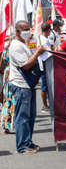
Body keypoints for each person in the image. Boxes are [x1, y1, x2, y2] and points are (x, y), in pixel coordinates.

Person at [9, 21, 46, 154]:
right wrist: (37, 53)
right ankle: (22, 146)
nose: (27, 31)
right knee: (22, 117)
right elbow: (25, 66)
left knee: (30, 117)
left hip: (28, 85)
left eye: (28, 29)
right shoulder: (16, 46)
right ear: (18, 31)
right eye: (24, 29)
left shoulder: (23, 44)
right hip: (21, 85)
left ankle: (28, 142)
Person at [38, 23, 52, 113]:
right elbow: (47, 52)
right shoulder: (42, 40)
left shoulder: (44, 38)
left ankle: (47, 103)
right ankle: (44, 105)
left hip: (47, 64)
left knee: (47, 85)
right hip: (44, 64)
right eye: (49, 30)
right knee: (44, 86)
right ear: (47, 30)